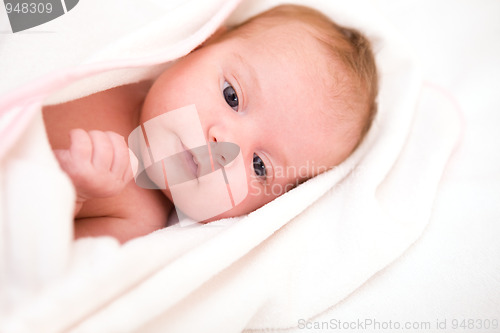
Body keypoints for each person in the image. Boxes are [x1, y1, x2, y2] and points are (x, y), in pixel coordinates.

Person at [42, 4, 378, 243]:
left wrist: (71, 194)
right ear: (201, 44)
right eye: (232, 96)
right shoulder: (113, 64)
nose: (224, 145)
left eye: (259, 166)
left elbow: (36, 263)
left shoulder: (131, 218)